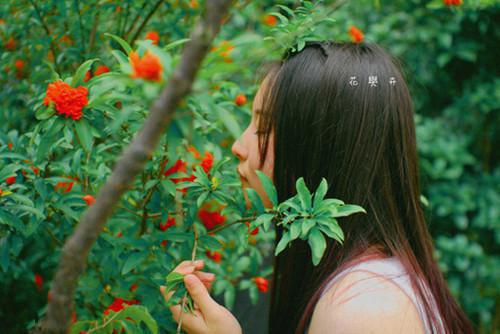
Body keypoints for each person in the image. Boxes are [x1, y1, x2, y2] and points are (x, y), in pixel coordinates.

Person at [160, 41, 474, 334]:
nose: (239, 146)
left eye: (265, 126)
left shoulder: (362, 309)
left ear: (321, 148)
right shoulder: (371, 282)